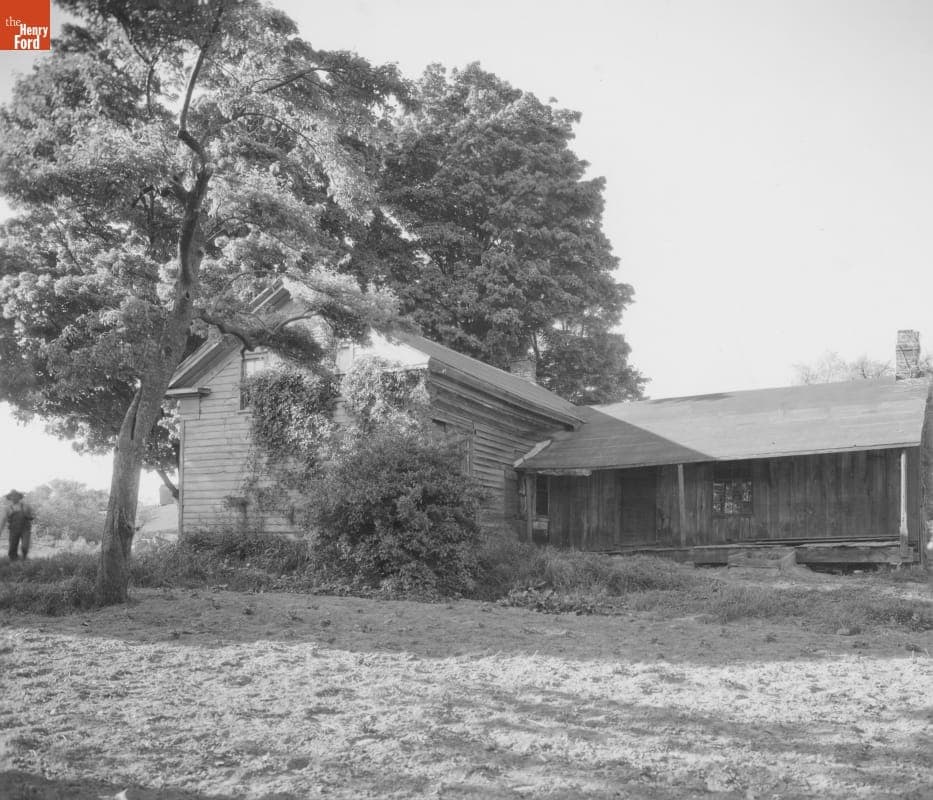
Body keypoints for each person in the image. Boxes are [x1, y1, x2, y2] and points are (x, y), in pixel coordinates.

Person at [1, 490, 34, 561]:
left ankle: (24, 559)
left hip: (25, 529)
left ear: (19, 497)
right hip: (13, 530)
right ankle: (14, 563)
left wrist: (28, 516)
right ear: (10, 498)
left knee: (25, 547)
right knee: (12, 549)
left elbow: (32, 516)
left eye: (16, 496)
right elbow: (3, 520)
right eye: (12, 496)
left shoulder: (26, 506)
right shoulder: (7, 508)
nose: (14, 497)